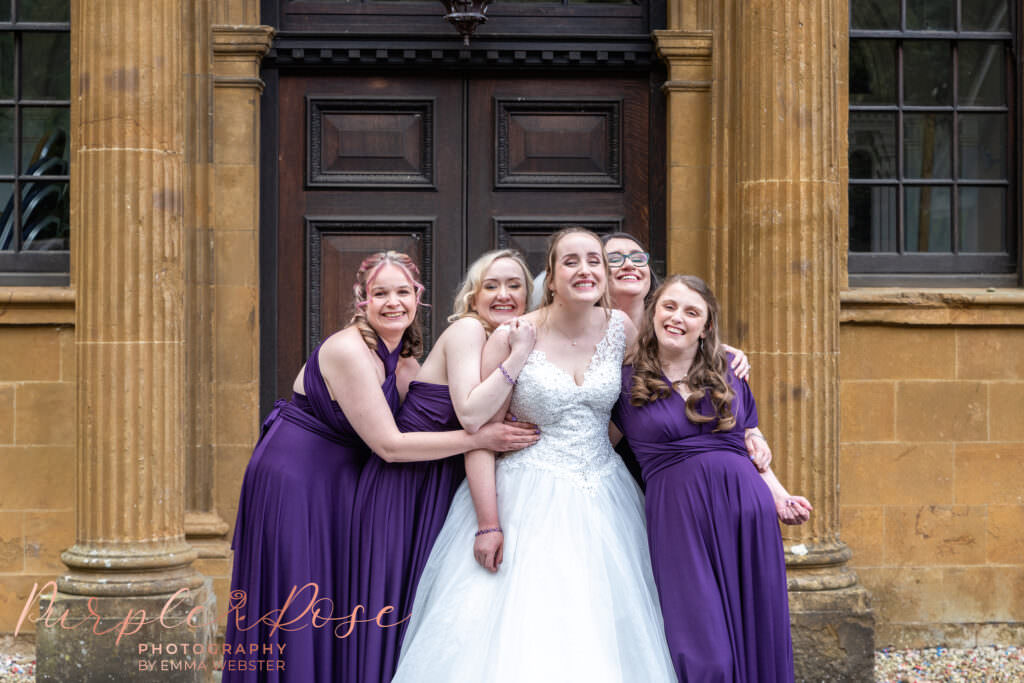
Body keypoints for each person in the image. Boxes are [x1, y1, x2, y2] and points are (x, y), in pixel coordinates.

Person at [223, 252, 539, 682]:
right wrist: (479, 439)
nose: (393, 302)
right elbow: (391, 445)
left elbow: (425, 415)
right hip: (294, 476)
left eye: (403, 292)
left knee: (332, 596)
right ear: (361, 300)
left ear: (418, 298)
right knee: (297, 590)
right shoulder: (347, 350)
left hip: (343, 478)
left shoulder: (405, 360)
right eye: (381, 293)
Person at [392, 227, 677, 683]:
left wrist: (728, 357)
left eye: (593, 261)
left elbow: (652, 382)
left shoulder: (620, 329)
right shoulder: (512, 335)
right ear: (551, 274)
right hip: (523, 497)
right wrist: (488, 523)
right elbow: (481, 435)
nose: (584, 269)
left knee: (598, 628)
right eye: (571, 261)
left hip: (604, 497)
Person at [345, 249, 537, 683]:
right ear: (472, 296)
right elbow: (472, 415)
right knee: (387, 603)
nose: (503, 294)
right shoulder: (469, 330)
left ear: (531, 293)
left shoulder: (510, 335)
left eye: (514, 285)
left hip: (440, 482)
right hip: (403, 481)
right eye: (491, 285)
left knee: (418, 604)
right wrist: (517, 359)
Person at [611, 275, 811, 683]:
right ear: (653, 313)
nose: (677, 318)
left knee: (758, 634)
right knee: (705, 655)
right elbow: (595, 443)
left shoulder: (728, 371)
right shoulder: (623, 381)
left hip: (746, 515)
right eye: (669, 306)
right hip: (678, 522)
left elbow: (748, 443)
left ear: (706, 327)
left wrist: (779, 494)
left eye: (691, 312)